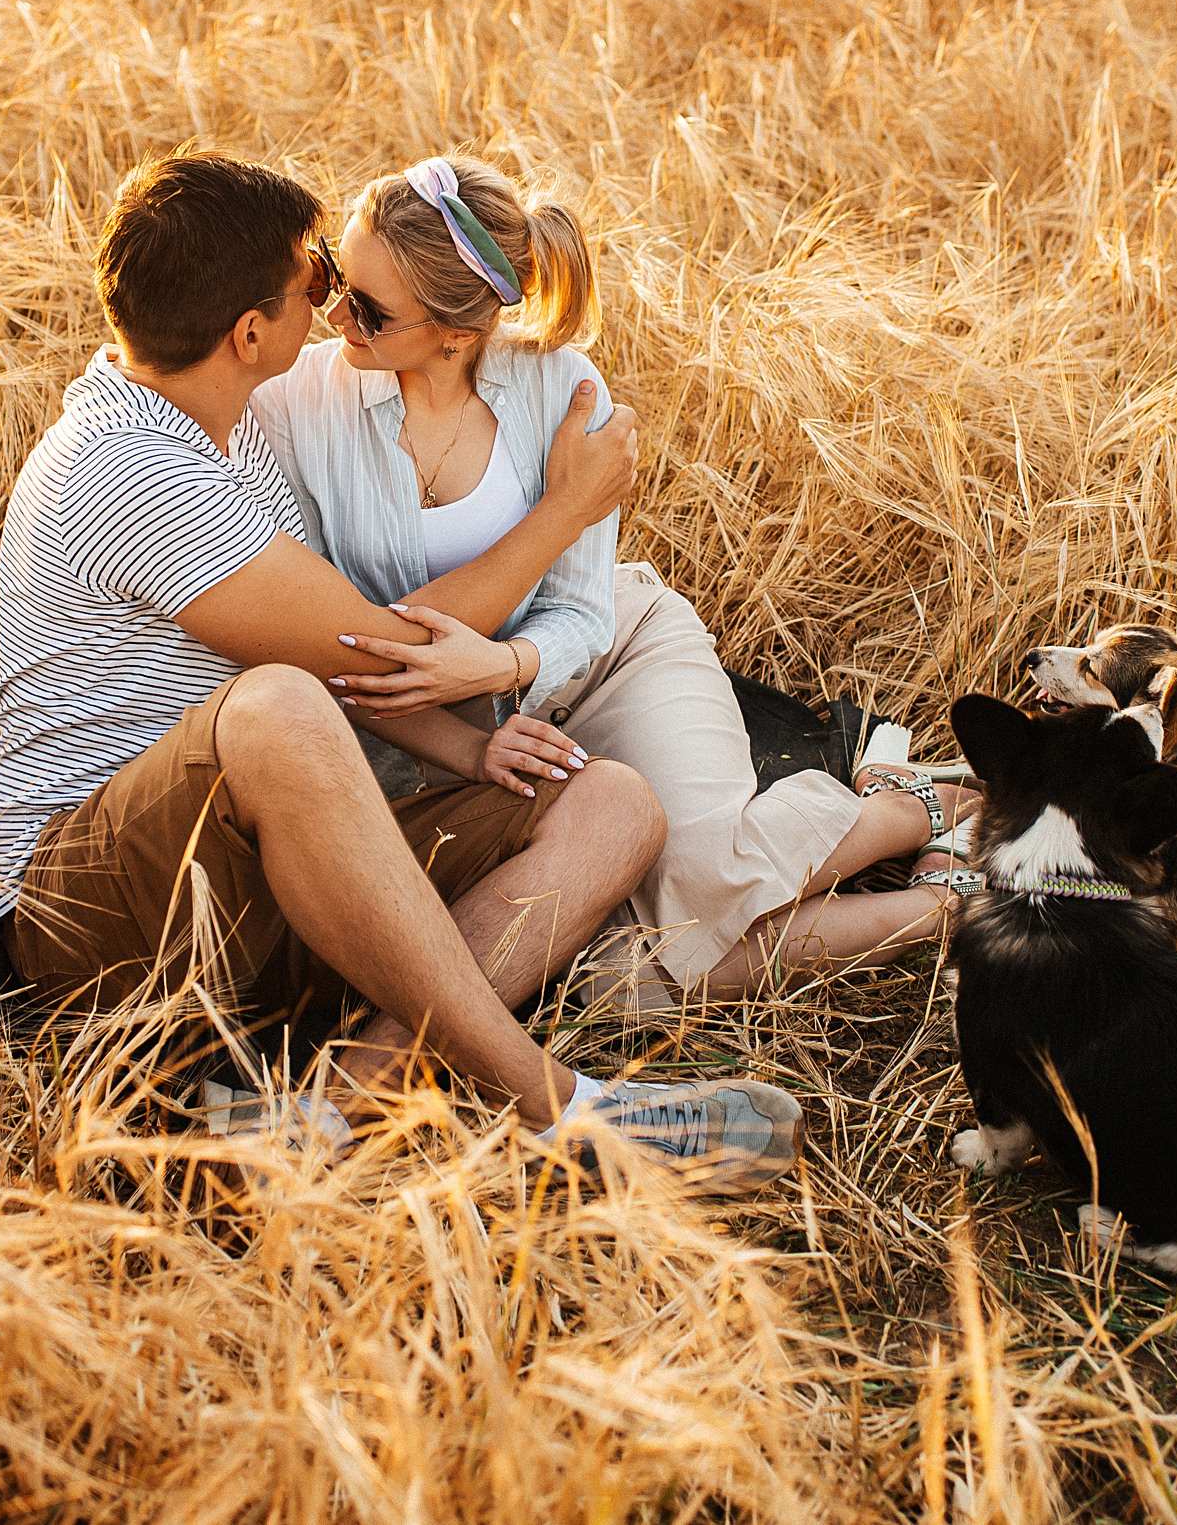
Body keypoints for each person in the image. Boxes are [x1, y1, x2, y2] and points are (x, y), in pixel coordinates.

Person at [0, 146, 803, 1192]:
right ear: (249, 333)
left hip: (245, 883)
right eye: (312, 278)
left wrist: (476, 747)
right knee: (276, 704)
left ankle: (325, 1119)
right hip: (91, 912)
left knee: (613, 806)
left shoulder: (236, 436)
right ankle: (561, 1108)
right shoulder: (127, 469)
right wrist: (561, 513)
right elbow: (367, 645)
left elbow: (355, 660)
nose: (326, 304)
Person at [249, 155, 982, 1009]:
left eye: (369, 309)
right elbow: (339, 633)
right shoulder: (298, 403)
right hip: (440, 727)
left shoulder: (564, 390)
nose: (335, 314)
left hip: (610, 656)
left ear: (455, 331)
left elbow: (583, 610)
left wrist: (500, 666)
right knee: (626, 978)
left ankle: (909, 808)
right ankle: (944, 906)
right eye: (338, 278)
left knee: (709, 876)